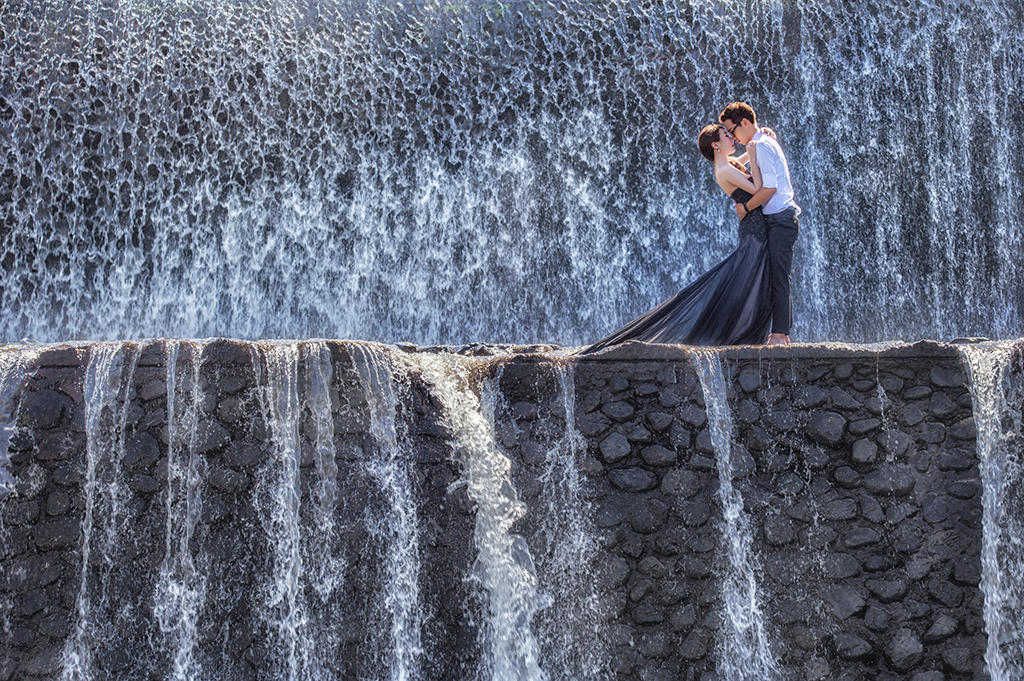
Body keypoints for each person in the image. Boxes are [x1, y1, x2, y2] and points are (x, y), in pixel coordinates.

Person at [581, 123, 773, 354]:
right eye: (726, 136)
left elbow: (740, 165)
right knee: (745, 278)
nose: (732, 139)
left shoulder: (726, 165)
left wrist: (754, 149)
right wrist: (754, 151)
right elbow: (758, 187)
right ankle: (730, 329)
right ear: (715, 144)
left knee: (748, 277)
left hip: (753, 226)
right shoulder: (724, 170)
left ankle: (737, 328)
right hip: (754, 229)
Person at [719, 102, 800, 345]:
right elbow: (748, 171)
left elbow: (769, 188)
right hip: (778, 219)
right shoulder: (761, 144)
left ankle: (780, 334)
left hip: (781, 218)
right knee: (775, 276)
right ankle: (776, 332)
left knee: (779, 276)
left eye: (732, 130)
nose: (732, 137)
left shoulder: (762, 146)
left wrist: (746, 207)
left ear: (744, 122)